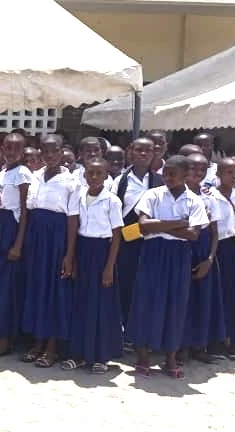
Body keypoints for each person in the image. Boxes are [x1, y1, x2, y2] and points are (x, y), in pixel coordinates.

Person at [127, 155, 208, 379]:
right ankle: (143, 356)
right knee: (147, 300)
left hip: (179, 255)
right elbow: (143, 227)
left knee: (175, 303)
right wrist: (179, 222)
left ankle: (170, 357)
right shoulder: (152, 195)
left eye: (174, 173)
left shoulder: (194, 201)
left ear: (185, 175)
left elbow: (193, 234)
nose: (168, 177)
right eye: (166, 173)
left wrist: (160, 226)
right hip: (153, 254)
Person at [20, 135, 79, 368]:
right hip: (36, 236)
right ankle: (37, 342)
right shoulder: (34, 177)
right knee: (37, 288)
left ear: (62, 151)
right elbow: (28, 211)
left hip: (58, 239)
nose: (49, 155)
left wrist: (69, 254)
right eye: (45, 151)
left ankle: (52, 347)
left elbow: (73, 219)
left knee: (56, 291)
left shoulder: (72, 181)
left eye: (53, 151)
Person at [62, 158, 123, 374]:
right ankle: (79, 353)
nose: (94, 177)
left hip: (102, 252)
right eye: (90, 173)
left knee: (102, 304)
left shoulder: (112, 201)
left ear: (107, 176)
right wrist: (71, 257)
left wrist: (109, 267)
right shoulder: (79, 196)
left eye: (99, 173)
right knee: (81, 302)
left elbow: (117, 236)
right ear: (84, 175)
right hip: (83, 249)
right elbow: (74, 226)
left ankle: (101, 355)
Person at [0, 133, 31, 357]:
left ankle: (6, 339)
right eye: (7, 148)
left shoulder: (22, 174)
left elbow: (24, 211)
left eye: (16, 149)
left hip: (13, 230)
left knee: (8, 287)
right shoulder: (2, 172)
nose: (11, 153)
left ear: (23, 151)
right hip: (0, 227)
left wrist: (18, 245)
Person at [111, 138, 162, 335]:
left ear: (154, 153)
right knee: (125, 284)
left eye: (148, 151)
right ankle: (124, 330)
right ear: (130, 151)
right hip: (126, 242)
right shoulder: (120, 181)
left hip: (151, 242)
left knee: (146, 287)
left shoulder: (159, 181)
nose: (143, 154)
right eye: (138, 150)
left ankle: (141, 331)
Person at [181, 153, 225, 364]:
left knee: (203, 299)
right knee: (183, 299)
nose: (197, 173)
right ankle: (180, 346)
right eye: (192, 168)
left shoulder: (210, 197)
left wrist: (209, 258)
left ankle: (199, 345)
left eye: (202, 169)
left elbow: (215, 232)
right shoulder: (176, 194)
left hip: (204, 250)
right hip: (182, 249)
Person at [208, 157, 235, 361]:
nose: (233, 177)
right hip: (218, 248)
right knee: (219, 295)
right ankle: (215, 343)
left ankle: (233, 342)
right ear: (218, 174)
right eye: (228, 172)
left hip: (234, 246)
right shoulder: (210, 196)